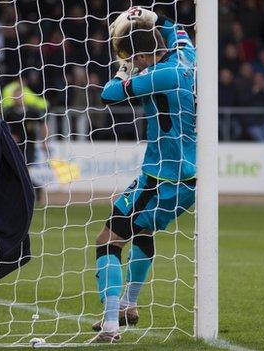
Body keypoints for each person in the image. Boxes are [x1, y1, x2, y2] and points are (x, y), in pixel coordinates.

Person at [90, 7, 196, 343]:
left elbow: (109, 94)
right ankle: (129, 305)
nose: (137, 65)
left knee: (107, 240)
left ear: (142, 55)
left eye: (136, 59)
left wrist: (124, 70)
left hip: (161, 177)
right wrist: (146, 14)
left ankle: (110, 326)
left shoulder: (161, 74)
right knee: (143, 229)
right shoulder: (187, 55)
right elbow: (174, 27)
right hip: (189, 176)